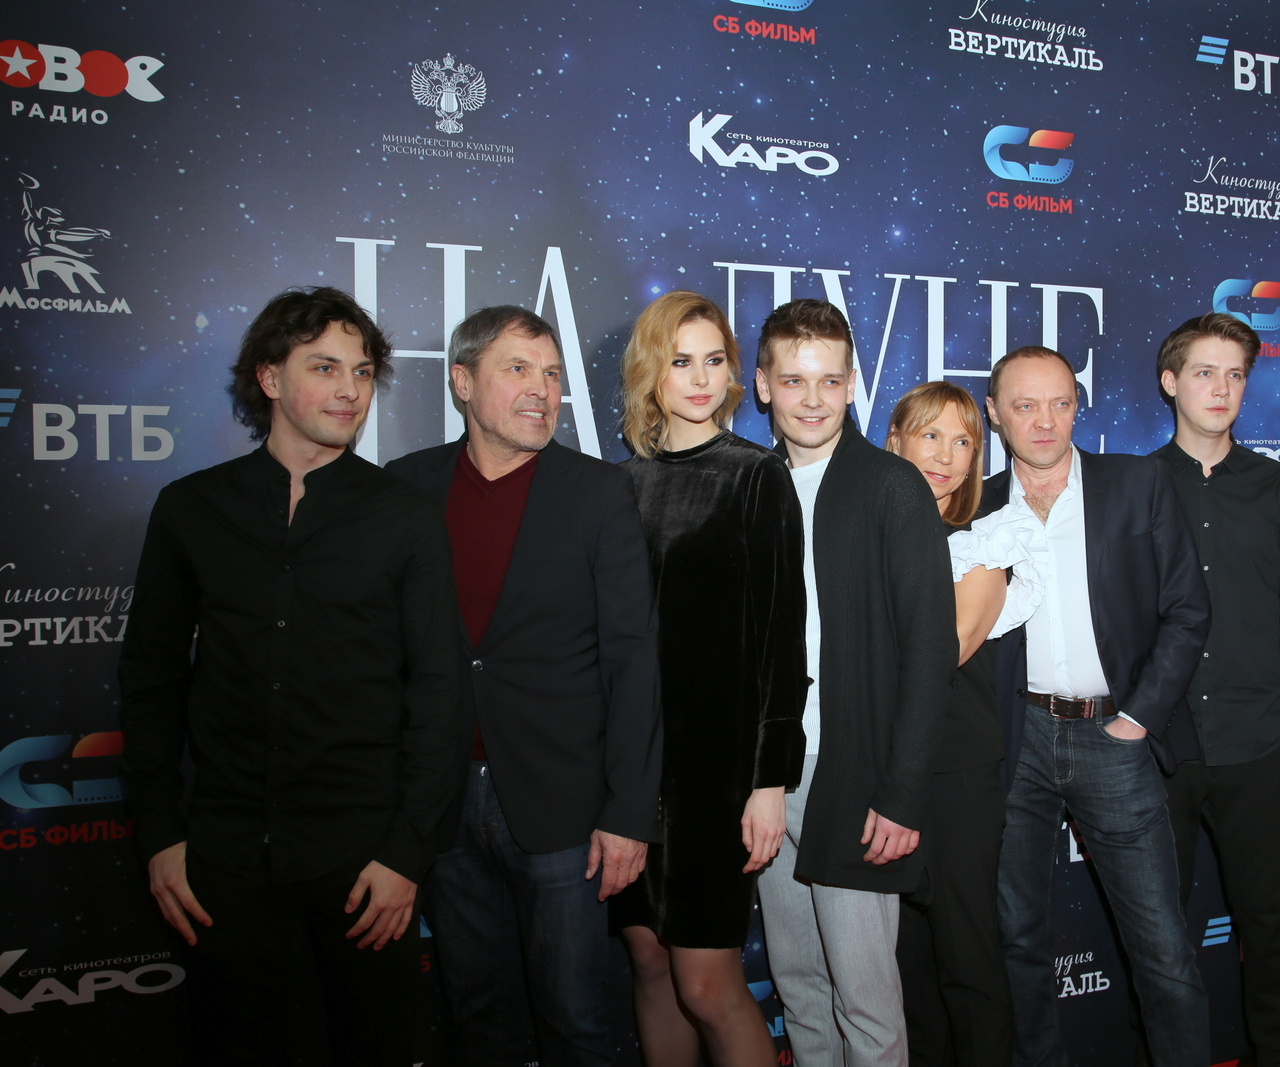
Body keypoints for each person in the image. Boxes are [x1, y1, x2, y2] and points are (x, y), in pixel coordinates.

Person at [119, 286, 460, 1067]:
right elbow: (151, 681)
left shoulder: (404, 516)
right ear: (270, 378)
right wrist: (160, 835)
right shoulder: (191, 508)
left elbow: (440, 691)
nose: (350, 389)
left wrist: (406, 853)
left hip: (364, 862)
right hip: (223, 858)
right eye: (325, 367)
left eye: (362, 371)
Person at [386, 306, 661, 1067]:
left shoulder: (598, 492)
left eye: (552, 374)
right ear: (462, 381)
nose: (542, 389)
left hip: (563, 805)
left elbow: (633, 659)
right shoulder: (405, 489)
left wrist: (629, 812)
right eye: (518, 369)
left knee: (575, 1022)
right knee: (479, 1018)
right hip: (442, 804)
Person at [967, 345, 1212, 1067]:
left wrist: (1138, 718)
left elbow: (1188, 610)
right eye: (1025, 405)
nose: (1045, 421)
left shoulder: (1137, 483)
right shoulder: (975, 506)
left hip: (1114, 735)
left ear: (1079, 405)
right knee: (1017, 939)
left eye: (1060, 403)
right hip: (1015, 741)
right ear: (994, 413)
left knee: (1162, 947)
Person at [753, 299, 958, 1067]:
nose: (813, 399)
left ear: (851, 384)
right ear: (763, 385)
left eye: (830, 381)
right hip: (768, 779)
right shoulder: (750, 483)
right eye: (794, 380)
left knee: (867, 1007)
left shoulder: (891, 484)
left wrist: (902, 792)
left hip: (857, 779)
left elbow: (930, 649)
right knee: (800, 989)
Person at [609, 291, 808, 1067]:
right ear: (649, 371)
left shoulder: (756, 476)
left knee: (707, 984)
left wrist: (768, 781)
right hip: (629, 767)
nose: (699, 378)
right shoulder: (617, 484)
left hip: (715, 776)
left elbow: (782, 640)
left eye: (713, 359)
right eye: (679, 360)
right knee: (650, 962)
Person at [1146, 314, 1280, 1067]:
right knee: (1158, 931)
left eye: (1235, 375)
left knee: (1269, 920)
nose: (1221, 389)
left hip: (1261, 745)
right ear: (1171, 382)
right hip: (1163, 748)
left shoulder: (1278, 487)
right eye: (1204, 372)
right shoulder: (1135, 485)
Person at [885, 382, 1014, 1067]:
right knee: (903, 953)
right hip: (878, 765)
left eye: (963, 441)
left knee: (966, 946)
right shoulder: (860, 534)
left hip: (957, 767)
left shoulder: (983, 543)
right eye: (930, 435)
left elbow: (944, 650)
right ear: (895, 442)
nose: (945, 454)